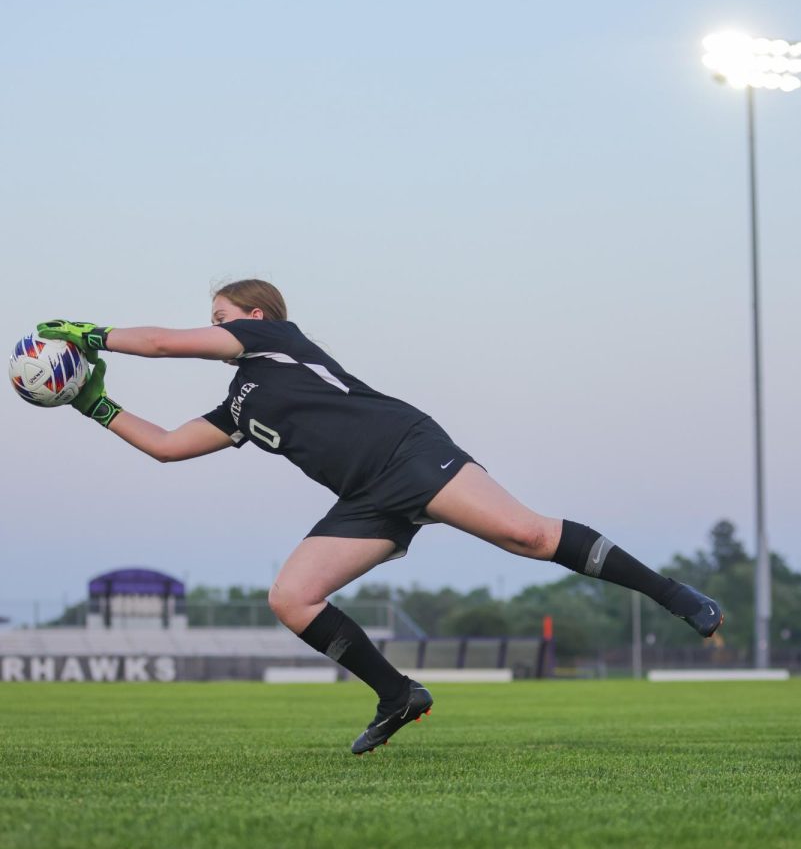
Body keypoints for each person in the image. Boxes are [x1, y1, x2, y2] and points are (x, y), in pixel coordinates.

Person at [38, 280, 723, 754]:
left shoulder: (273, 338)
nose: (210, 327)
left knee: (528, 535)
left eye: (218, 317)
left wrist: (91, 332)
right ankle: (397, 695)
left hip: (406, 451)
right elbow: (165, 447)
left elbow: (159, 345)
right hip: (363, 499)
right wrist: (94, 403)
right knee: (291, 597)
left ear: (253, 313)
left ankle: (678, 595)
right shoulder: (239, 402)